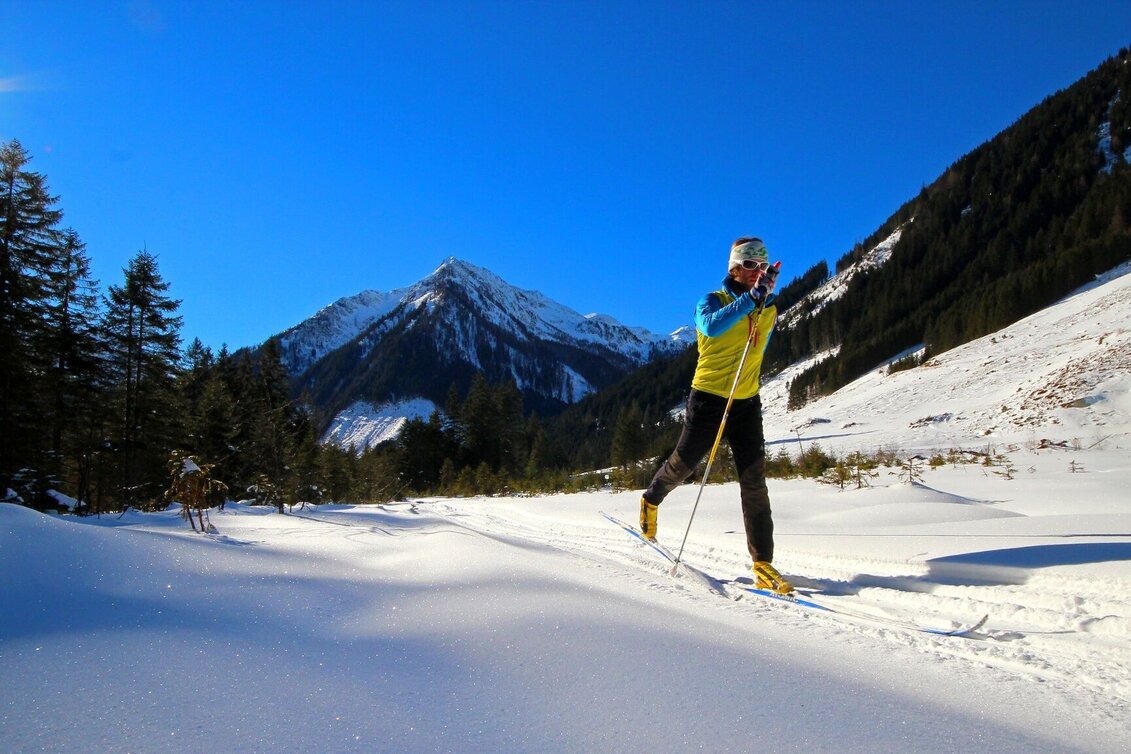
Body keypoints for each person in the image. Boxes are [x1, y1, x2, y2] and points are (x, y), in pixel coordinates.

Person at [639, 237, 792, 594]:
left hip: (745, 401)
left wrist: (760, 305)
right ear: (735, 268)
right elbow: (711, 327)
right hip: (708, 398)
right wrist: (750, 301)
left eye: (763, 268)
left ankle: (763, 562)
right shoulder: (712, 301)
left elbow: (759, 350)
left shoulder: (768, 309)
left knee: (754, 480)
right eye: (750, 266)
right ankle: (651, 498)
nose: (757, 273)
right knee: (685, 463)